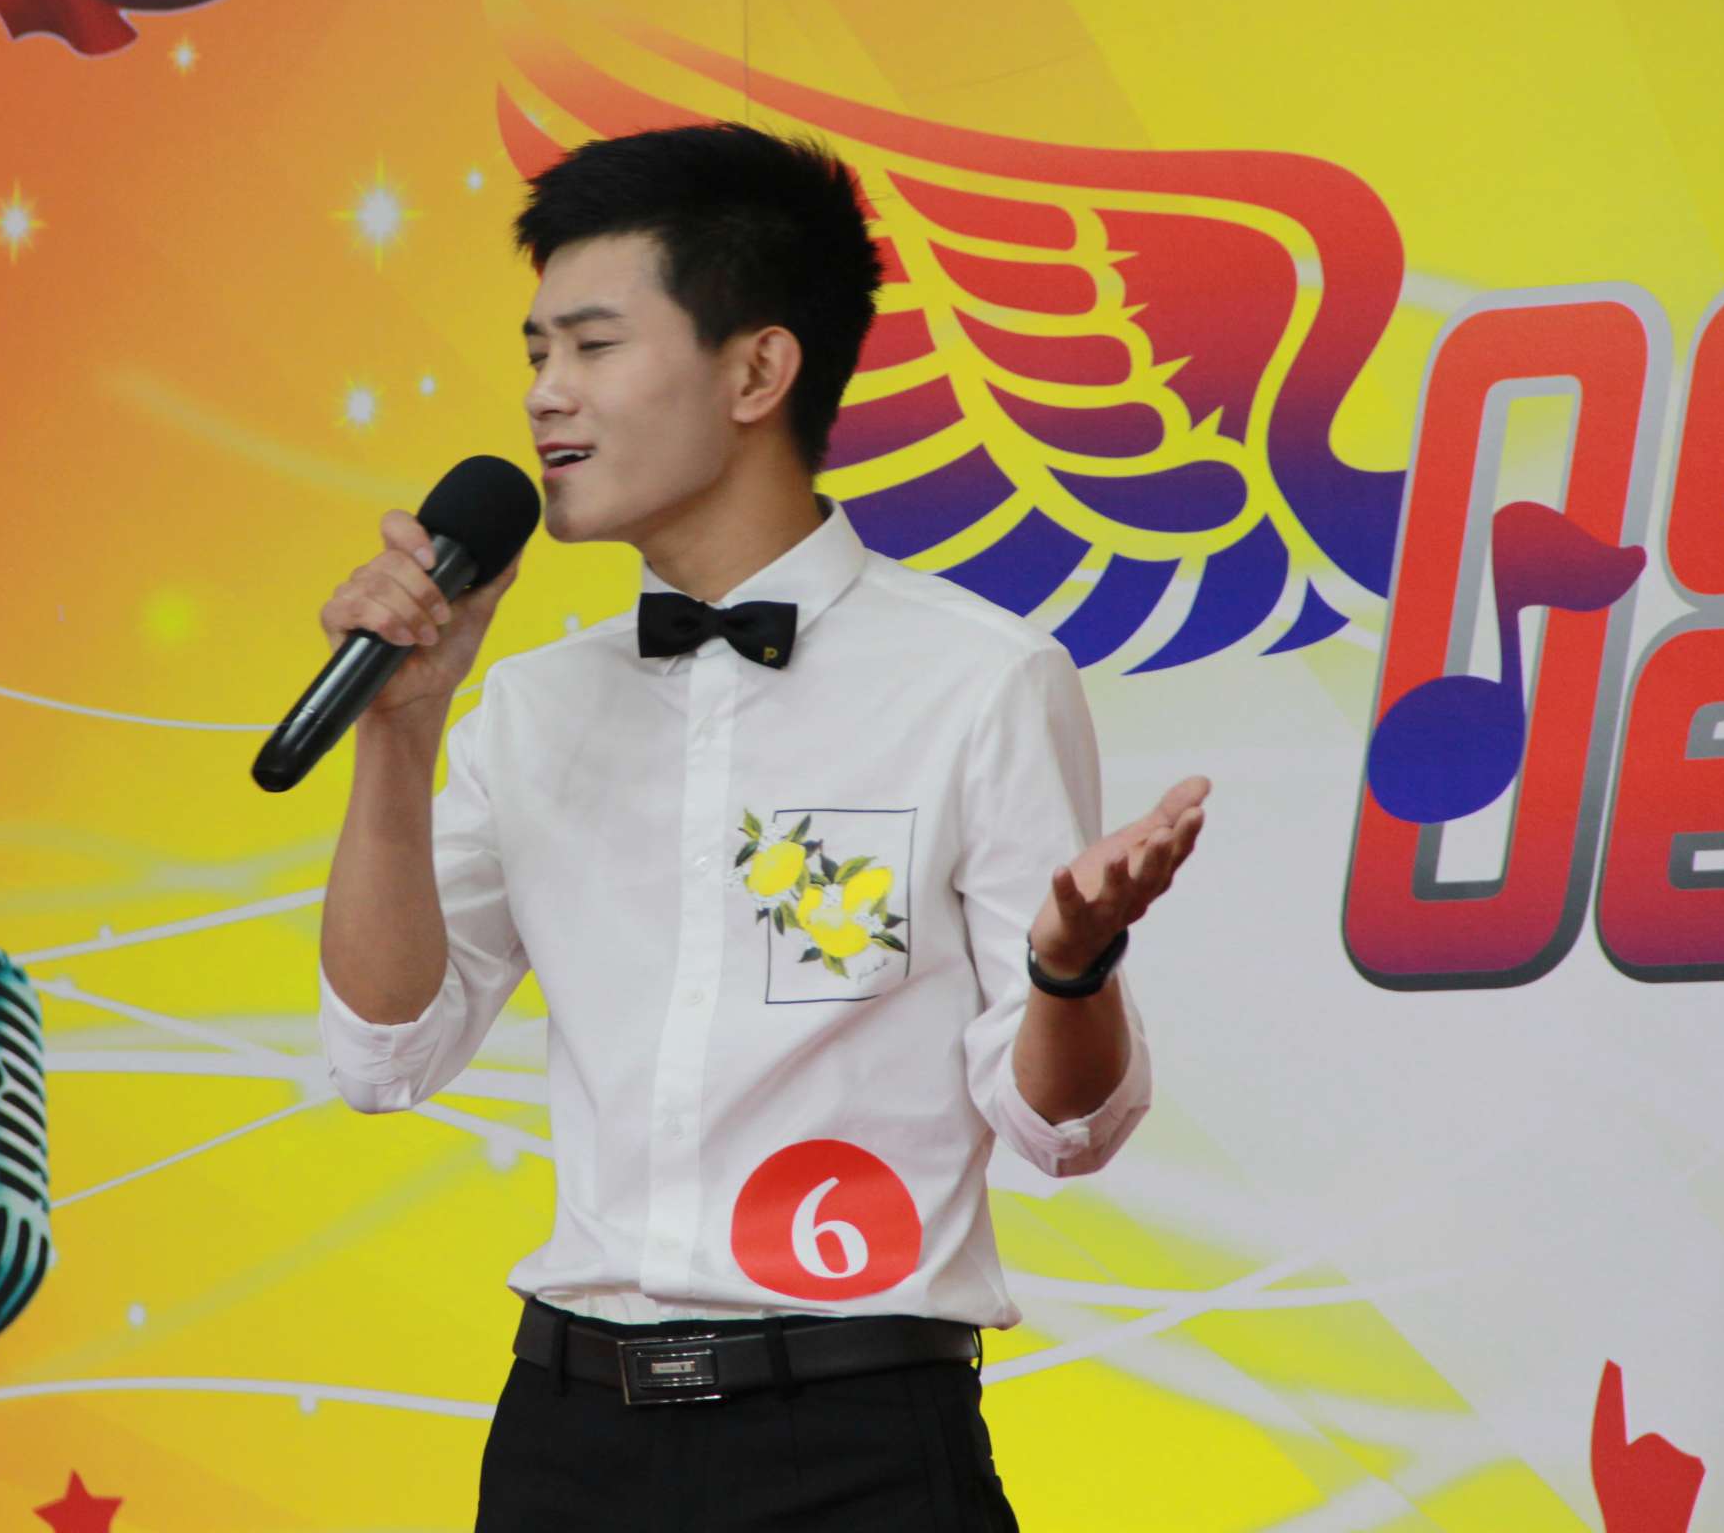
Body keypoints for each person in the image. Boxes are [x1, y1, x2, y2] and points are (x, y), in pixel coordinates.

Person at [314, 122, 1208, 1531]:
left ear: (756, 371)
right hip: (564, 1443)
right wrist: (398, 736)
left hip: (854, 1440)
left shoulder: (978, 681)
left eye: (593, 347)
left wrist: (1070, 969)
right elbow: (385, 1052)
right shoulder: (531, 706)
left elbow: (1064, 1128)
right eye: (536, 352)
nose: (545, 396)